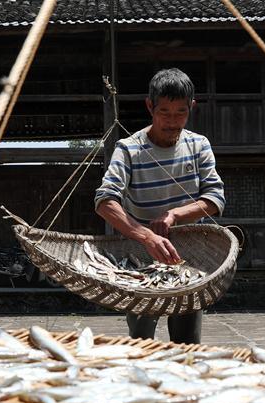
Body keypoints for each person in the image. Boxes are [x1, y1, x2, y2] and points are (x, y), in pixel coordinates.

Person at [94, 68, 225, 344]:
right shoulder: (128, 149)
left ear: (192, 107)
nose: (172, 121)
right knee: (141, 341)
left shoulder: (199, 145)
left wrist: (174, 215)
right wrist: (146, 236)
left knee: (187, 342)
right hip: (140, 260)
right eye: (164, 112)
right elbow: (105, 202)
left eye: (181, 112)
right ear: (149, 106)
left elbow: (214, 198)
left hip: (189, 259)